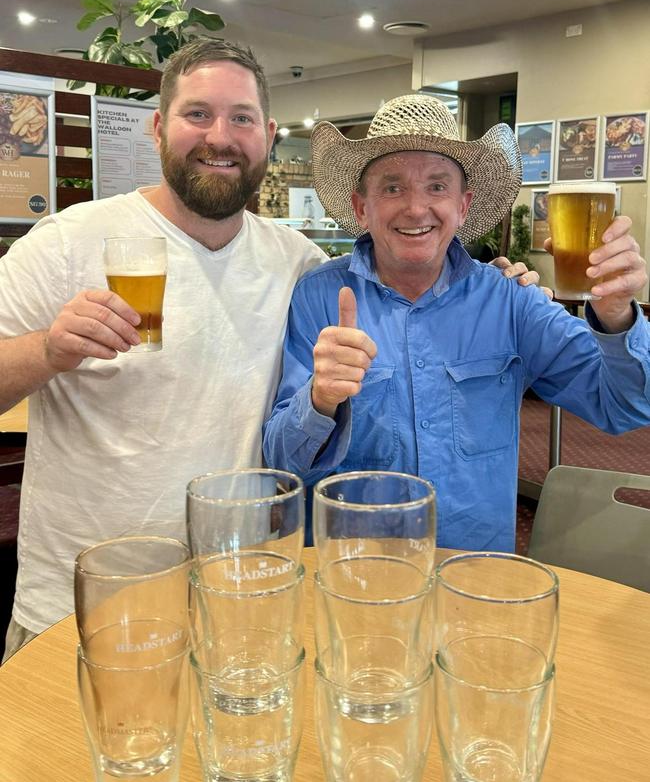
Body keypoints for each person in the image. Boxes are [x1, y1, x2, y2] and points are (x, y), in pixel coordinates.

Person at [0, 45, 544, 657]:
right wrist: (47, 349)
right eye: (197, 114)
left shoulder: (299, 266)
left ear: (267, 135)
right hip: (88, 598)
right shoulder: (68, 244)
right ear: (158, 127)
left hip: (240, 593)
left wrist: (496, 286)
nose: (220, 137)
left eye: (241, 118)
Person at [263, 93, 650, 550]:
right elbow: (281, 464)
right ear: (361, 207)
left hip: (474, 572)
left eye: (437, 186)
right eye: (392, 187)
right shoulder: (319, 297)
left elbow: (624, 406)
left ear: (463, 206)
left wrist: (617, 314)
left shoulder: (510, 299)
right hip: (351, 572)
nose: (415, 208)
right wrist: (320, 399)